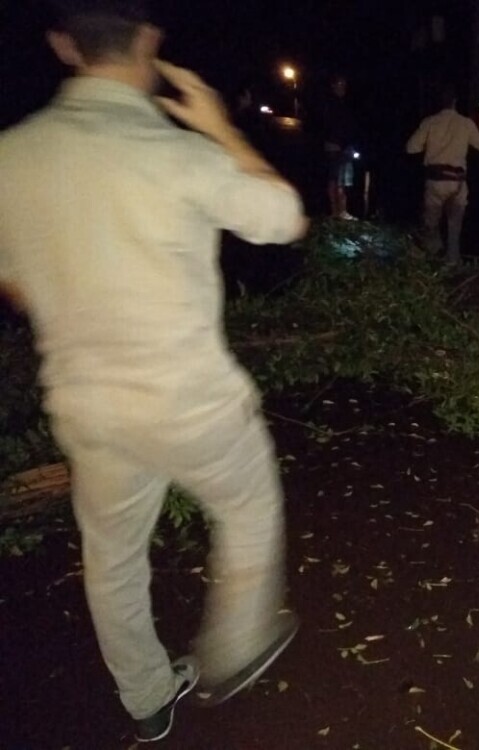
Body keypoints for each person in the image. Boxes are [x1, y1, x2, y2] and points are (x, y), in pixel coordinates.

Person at [0, 0, 307, 743]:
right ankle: (236, 647)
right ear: (150, 40)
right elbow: (282, 218)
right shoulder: (178, 153)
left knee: (111, 556)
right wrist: (220, 128)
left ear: (64, 45)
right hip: (188, 400)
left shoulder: (11, 155)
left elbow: (12, 278)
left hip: (86, 403)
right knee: (247, 506)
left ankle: (145, 696)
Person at [405, 84, 479, 265]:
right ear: (454, 102)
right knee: (454, 226)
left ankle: (433, 255)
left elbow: (411, 148)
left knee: (431, 224)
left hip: (435, 181)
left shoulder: (429, 122)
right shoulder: (466, 123)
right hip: (457, 183)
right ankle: (452, 261)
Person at [322, 73, 358, 219]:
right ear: (333, 86)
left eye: (344, 85)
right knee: (340, 180)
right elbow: (336, 126)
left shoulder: (334, 103)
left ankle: (335, 211)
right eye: (339, 84)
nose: (342, 88)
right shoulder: (334, 104)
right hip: (337, 146)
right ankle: (340, 211)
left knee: (334, 179)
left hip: (335, 145)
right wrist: (344, 144)